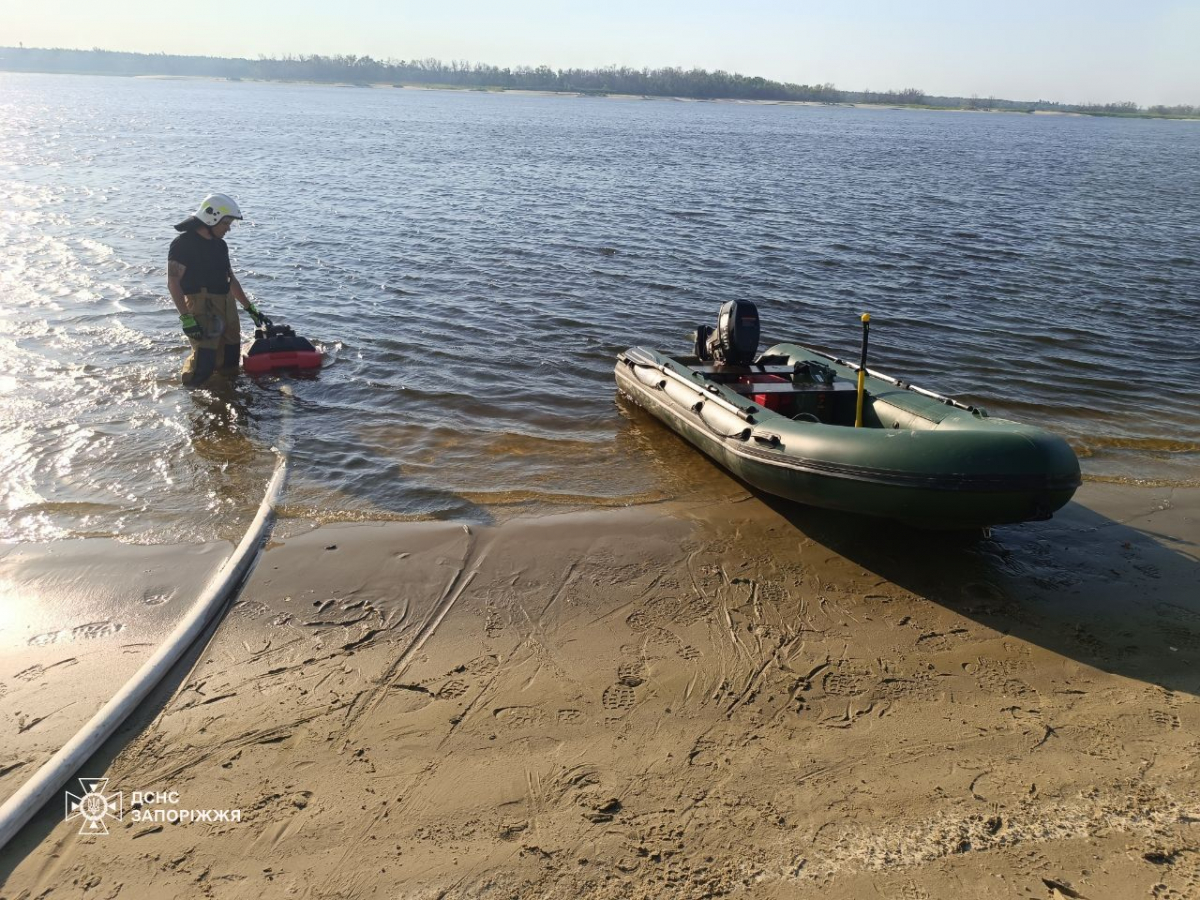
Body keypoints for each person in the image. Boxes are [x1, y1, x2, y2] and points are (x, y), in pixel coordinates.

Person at [167, 194, 269, 386]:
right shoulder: (183, 244)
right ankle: (192, 396)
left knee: (230, 357)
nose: (228, 229)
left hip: (226, 305)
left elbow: (231, 280)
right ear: (211, 219)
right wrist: (186, 317)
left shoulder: (220, 245)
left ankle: (225, 394)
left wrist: (251, 309)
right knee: (203, 362)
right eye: (226, 223)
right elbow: (173, 282)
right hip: (202, 306)